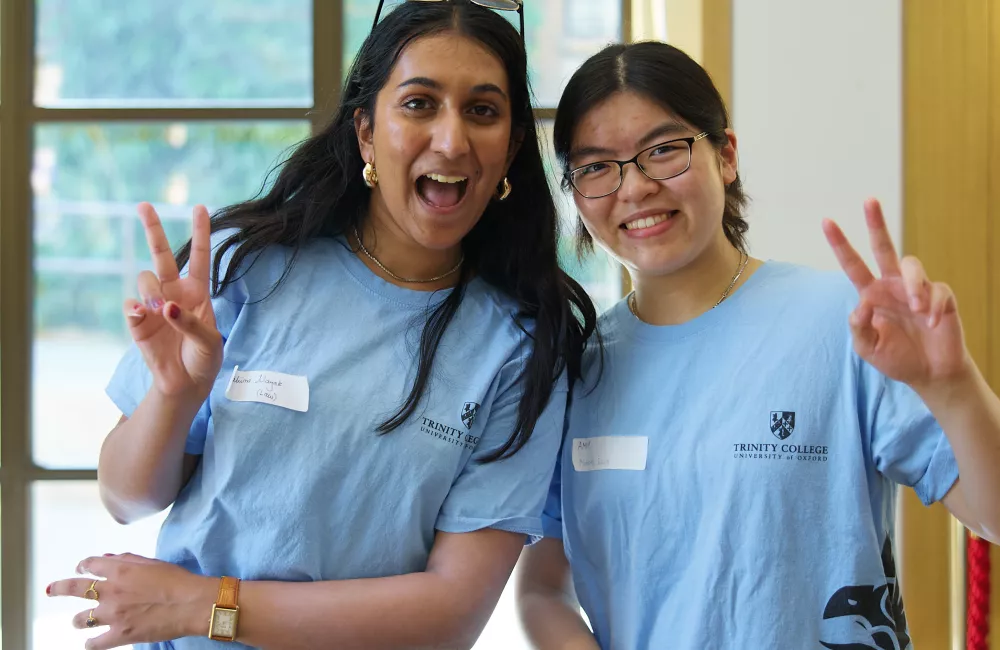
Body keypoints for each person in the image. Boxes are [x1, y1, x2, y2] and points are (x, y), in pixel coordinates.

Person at [46, 2, 596, 649]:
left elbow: (450, 614)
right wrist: (173, 395)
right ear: (365, 132)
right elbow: (125, 497)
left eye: (481, 111)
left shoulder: (525, 349)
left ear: (509, 150)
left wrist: (207, 605)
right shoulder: (246, 262)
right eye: (419, 103)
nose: (450, 140)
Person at [516, 41, 1000, 650]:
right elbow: (542, 583)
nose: (634, 188)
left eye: (663, 150)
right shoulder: (579, 369)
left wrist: (954, 389)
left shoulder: (845, 325)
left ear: (726, 155)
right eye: (596, 167)